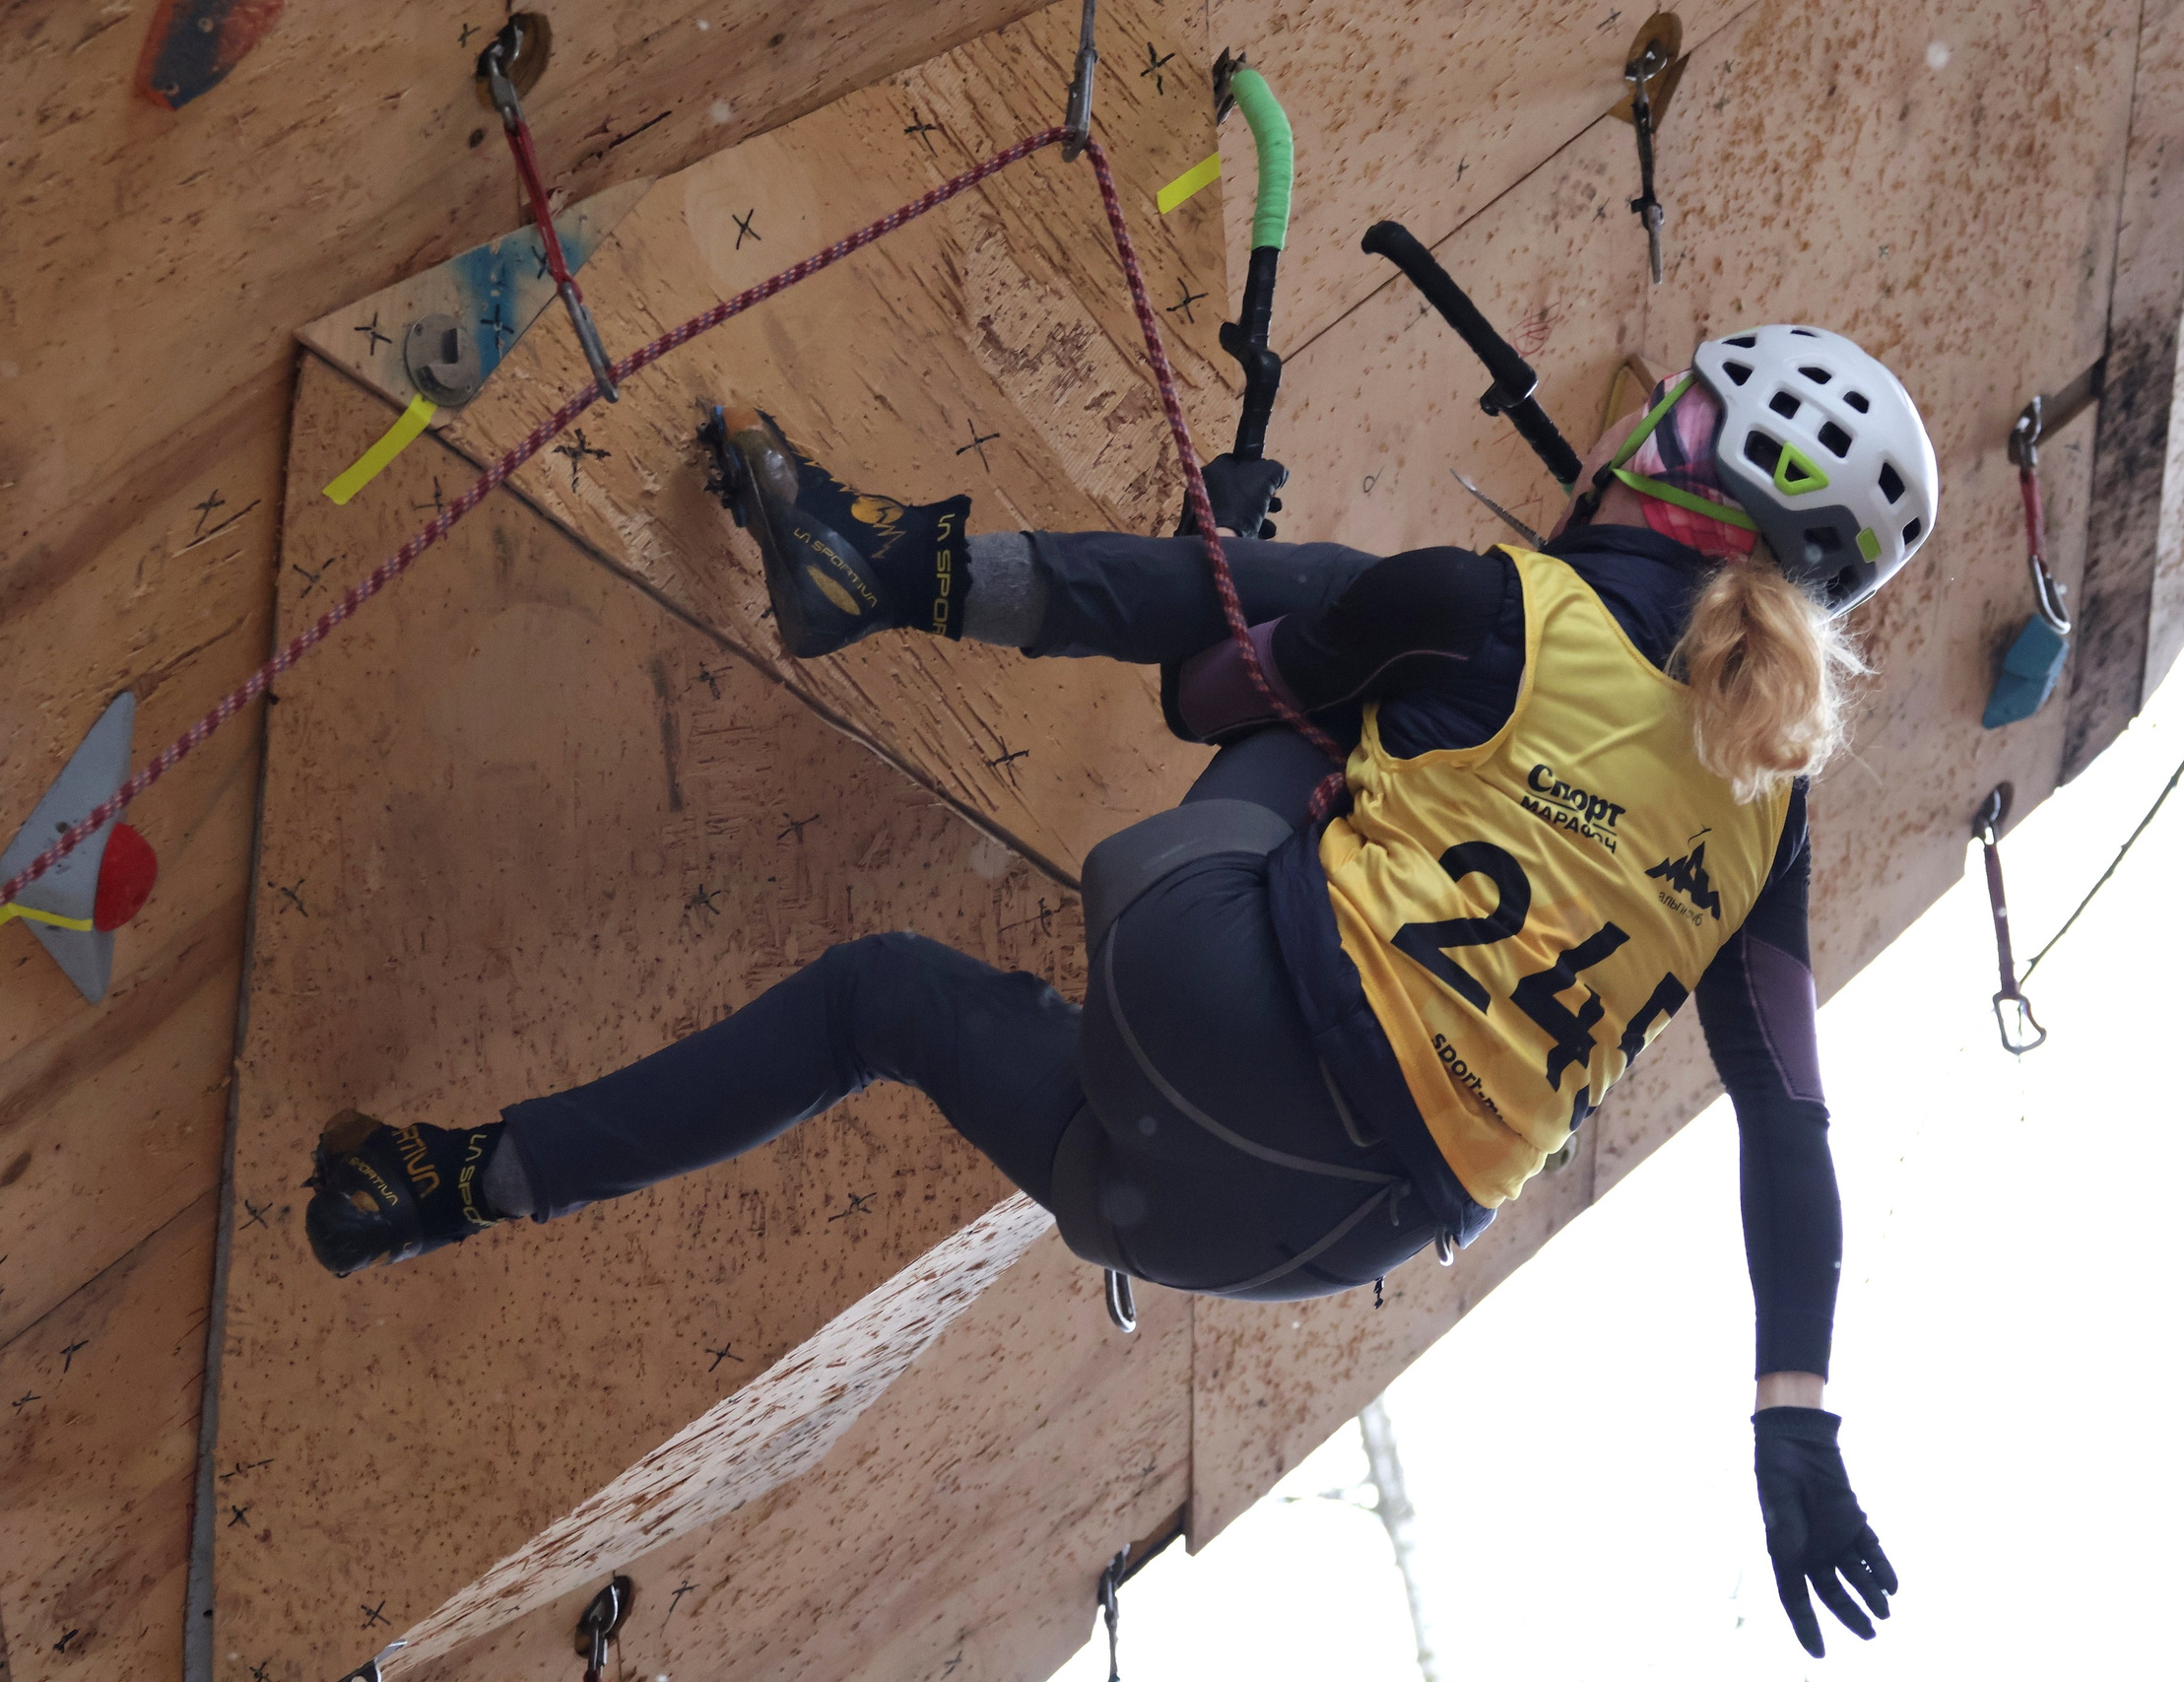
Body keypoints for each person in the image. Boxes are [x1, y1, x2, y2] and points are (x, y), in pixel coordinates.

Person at [301, 323, 1937, 1658]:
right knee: (888, 1001)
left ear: (1679, 459)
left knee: (1346, 650)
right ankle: (440, 1189)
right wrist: (1794, 1413)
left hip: (1211, 987)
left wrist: (1235, 557)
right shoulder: (1768, 824)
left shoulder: (1502, 604)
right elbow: (1789, 1125)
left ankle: (872, 566)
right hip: (1288, 1235)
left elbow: (1216, 692)